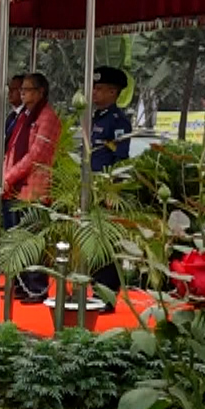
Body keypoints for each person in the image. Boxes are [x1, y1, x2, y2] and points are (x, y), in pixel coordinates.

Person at [1, 72, 60, 303]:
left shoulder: (47, 117)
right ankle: (22, 284)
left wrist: (10, 176)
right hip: (15, 185)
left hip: (34, 187)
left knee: (32, 240)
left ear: (40, 92)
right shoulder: (23, 115)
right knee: (16, 238)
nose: (22, 93)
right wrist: (6, 176)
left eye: (27, 89)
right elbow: (13, 148)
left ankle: (37, 287)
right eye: (21, 89)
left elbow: (36, 155)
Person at [87, 67, 133, 295]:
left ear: (113, 92)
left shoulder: (118, 122)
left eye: (100, 89)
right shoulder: (93, 118)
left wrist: (111, 192)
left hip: (106, 189)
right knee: (92, 240)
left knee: (107, 241)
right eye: (94, 88)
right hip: (90, 187)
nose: (94, 93)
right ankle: (95, 287)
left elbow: (120, 159)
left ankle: (106, 292)